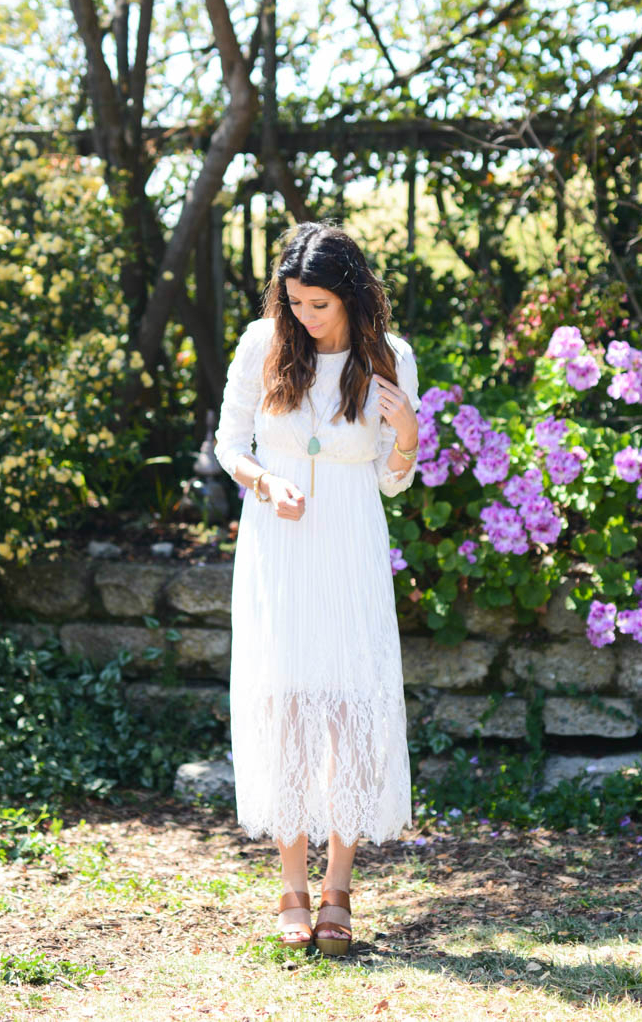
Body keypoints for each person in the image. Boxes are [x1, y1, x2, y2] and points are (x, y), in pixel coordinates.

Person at [213, 222, 420, 955]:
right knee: (290, 704)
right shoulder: (260, 344)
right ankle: (293, 886)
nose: (303, 316)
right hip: (280, 544)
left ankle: (340, 888)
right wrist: (267, 481)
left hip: (350, 543)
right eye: (294, 301)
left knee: (350, 705)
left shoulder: (390, 360)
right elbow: (229, 444)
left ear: (354, 299)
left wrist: (408, 435)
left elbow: (394, 482)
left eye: (318, 304)